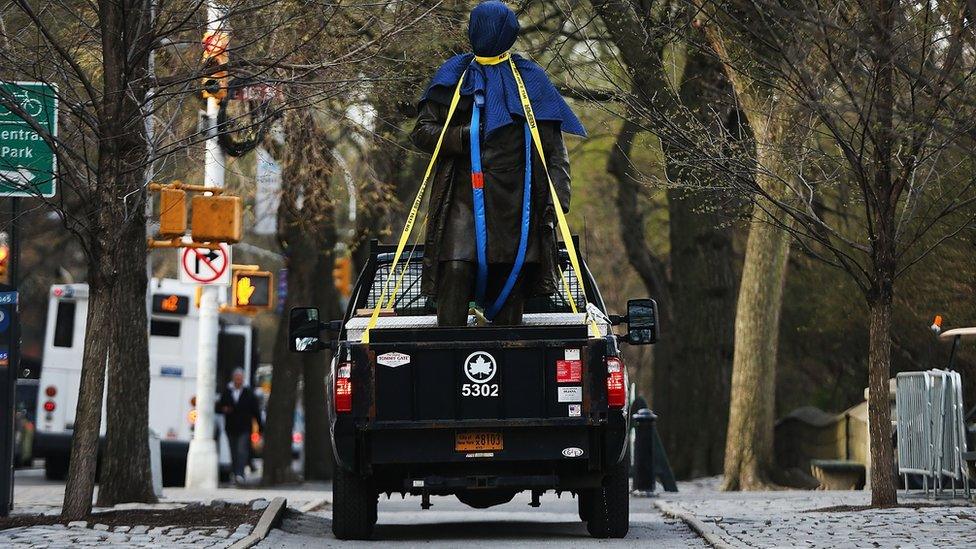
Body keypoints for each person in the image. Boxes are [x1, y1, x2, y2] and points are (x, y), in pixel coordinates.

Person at [411, 1, 586, 327]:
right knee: (457, 267)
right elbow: (422, 132)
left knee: (510, 276)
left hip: (516, 204)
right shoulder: (454, 75)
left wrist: (556, 207)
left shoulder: (531, 80)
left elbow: (555, 152)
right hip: (463, 196)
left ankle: (510, 360)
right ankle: (446, 356)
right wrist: (465, 135)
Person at [216, 368, 262, 485]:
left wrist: (260, 426)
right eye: (236, 378)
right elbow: (219, 406)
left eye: (240, 379)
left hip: (244, 427)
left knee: (242, 450)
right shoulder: (227, 392)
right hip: (231, 427)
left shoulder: (248, 393)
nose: (238, 381)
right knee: (233, 451)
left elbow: (255, 410)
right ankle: (235, 472)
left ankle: (240, 474)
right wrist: (224, 409)